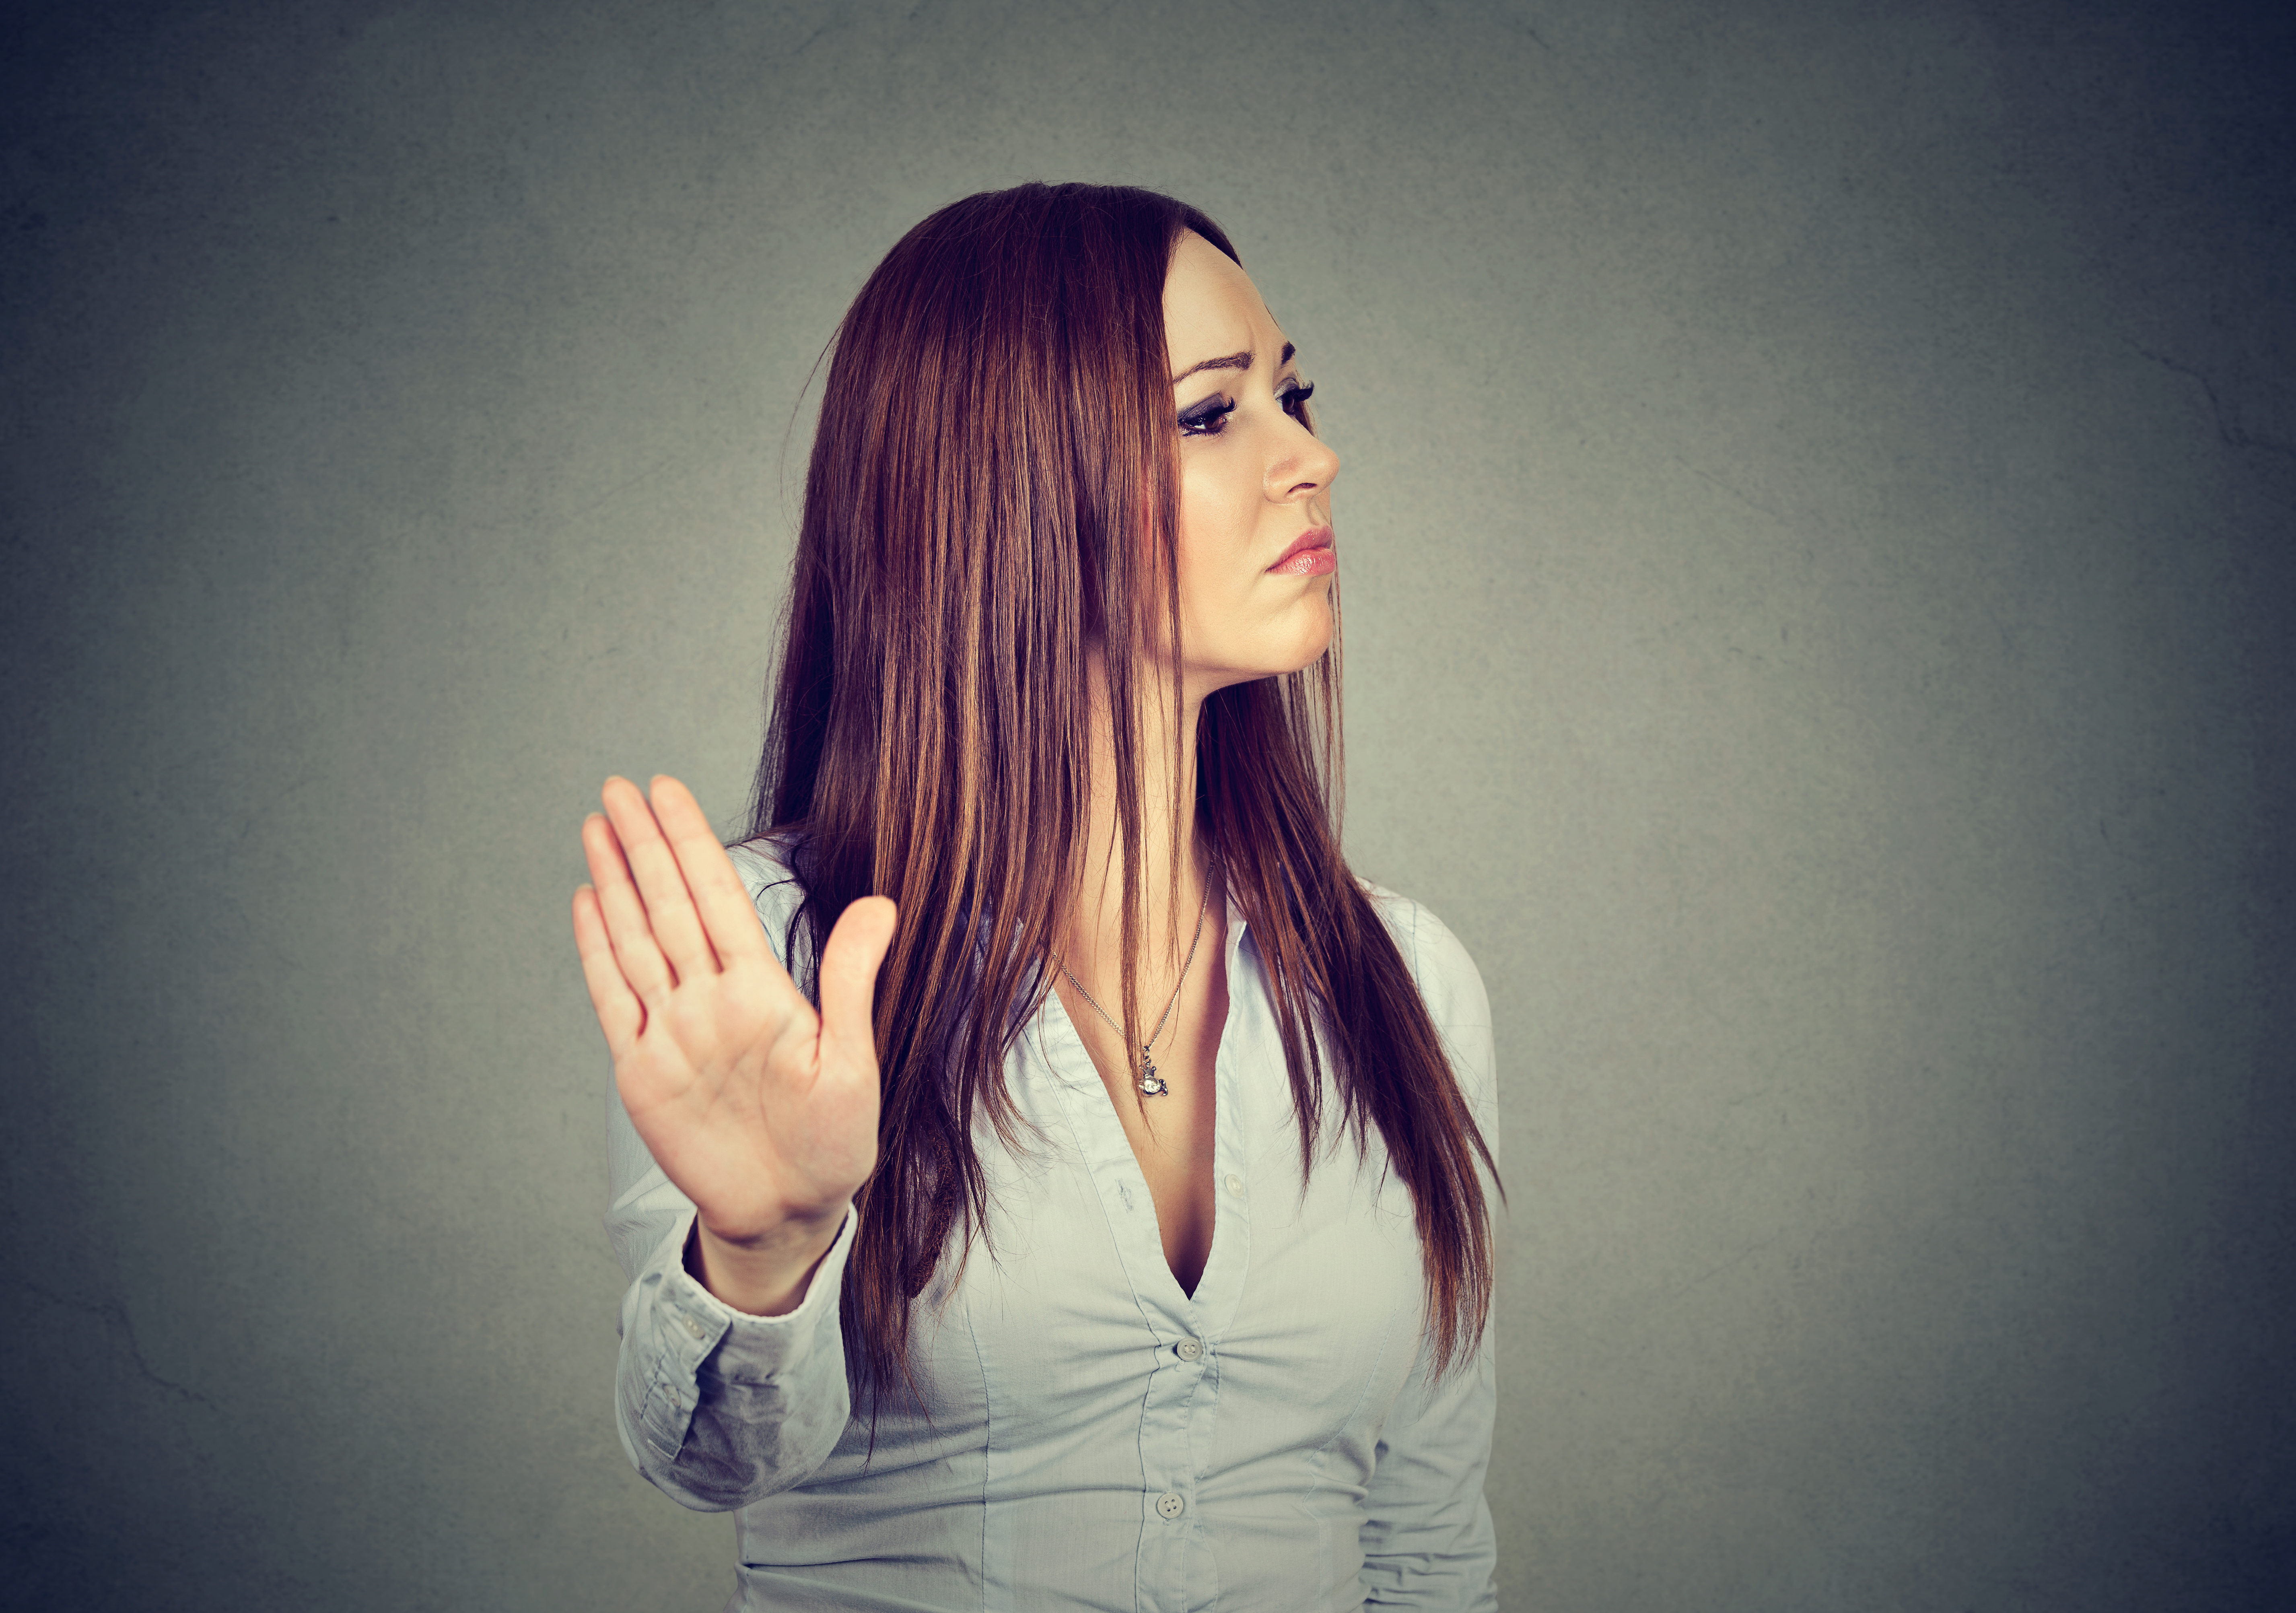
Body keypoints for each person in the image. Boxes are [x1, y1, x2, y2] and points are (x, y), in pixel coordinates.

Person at [570, 182, 1501, 1611]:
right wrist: (762, 1247)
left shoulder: (1405, 976)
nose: (1312, 455)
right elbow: (708, 1462)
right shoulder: (778, 962)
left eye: (1293, 394)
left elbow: (1425, 1539)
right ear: (999, 483)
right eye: (1211, 414)